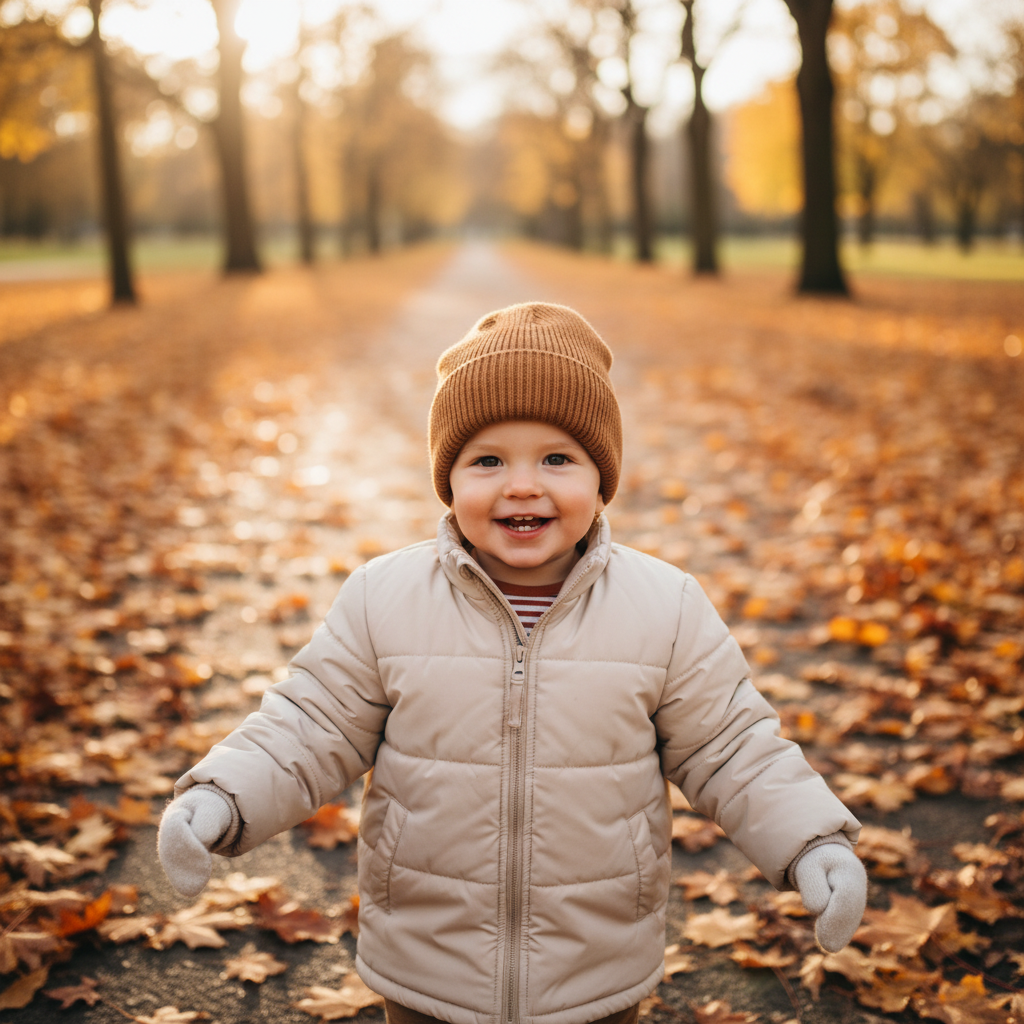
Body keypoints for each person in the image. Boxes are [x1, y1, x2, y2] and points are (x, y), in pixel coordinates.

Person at [158, 302, 866, 1024]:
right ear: (449, 479)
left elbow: (732, 748)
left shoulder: (666, 608)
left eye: (557, 458)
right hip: (426, 965)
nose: (522, 484)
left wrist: (813, 845)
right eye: (487, 460)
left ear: (601, 477)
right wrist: (222, 796)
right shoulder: (384, 599)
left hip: (596, 968)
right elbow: (308, 726)